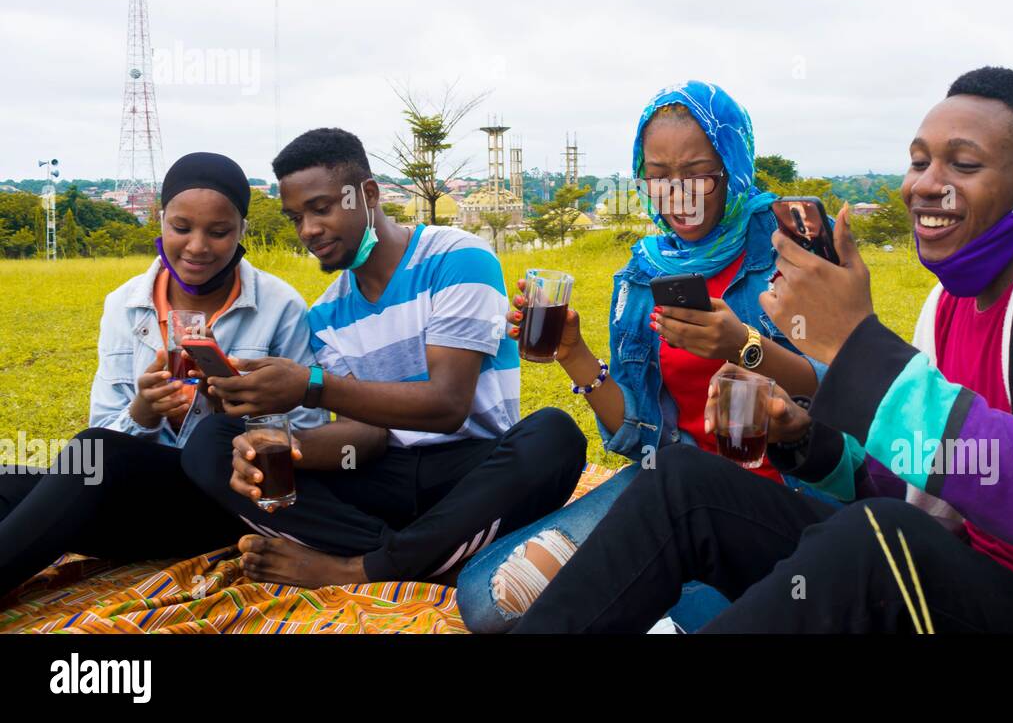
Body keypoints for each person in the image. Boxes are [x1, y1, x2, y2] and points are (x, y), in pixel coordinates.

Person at [513, 67, 1013, 634]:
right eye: (918, 160)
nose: (926, 184)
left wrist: (855, 346)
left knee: (878, 539)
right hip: (960, 574)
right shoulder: (951, 304)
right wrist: (803, 439)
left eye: (963, 164)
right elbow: (915, 483)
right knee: (686, 485)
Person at [456, 81, 831, 632]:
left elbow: (842, 388)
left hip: (785, 493)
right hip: (667, 482)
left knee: (661, 606)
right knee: (490, 600)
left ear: (733, 164)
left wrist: (746, 348)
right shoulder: (641, 275)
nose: (679, 194)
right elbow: (638, 435)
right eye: (658, 176)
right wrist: (573, 352)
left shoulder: (790, 241)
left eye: (699, 171)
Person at [180, 128, 588, 589]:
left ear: (367, 194)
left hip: (469, 476)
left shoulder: (457, 257)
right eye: (296, 217)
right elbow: (366, 439)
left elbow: (448, 407)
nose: (308, 231)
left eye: (321, 208)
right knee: (213, 444)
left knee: (554, 435)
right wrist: (276, 448)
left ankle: (357, 567)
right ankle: (424, 557)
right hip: (381, 479)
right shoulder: (327, 314)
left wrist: (310, 384)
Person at [0, 152, 329, 599]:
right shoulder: (124, 304)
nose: (197, 247)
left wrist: (234, 413)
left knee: (91, 457)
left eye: (218, 232)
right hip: (142, 500)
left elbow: (307, 439)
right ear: (160, 221)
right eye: (181, 227)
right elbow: (105, 428)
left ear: (242, 231)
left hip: (223, 504)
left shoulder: (279, 306)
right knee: (13, 481)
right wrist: (143, 412)